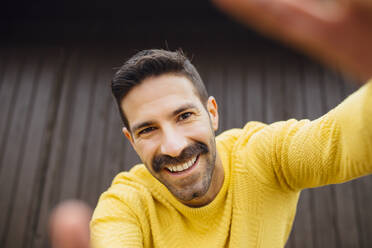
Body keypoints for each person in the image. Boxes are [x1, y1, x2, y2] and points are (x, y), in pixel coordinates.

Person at [49, 0, 372, 247]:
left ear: (212, 113)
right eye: (148, 130)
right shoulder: (125, 206)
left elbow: (346, 137)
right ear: (131, 141)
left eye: (184, 116)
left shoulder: (267, 157)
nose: (174, 146)